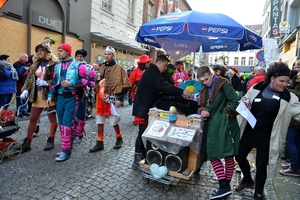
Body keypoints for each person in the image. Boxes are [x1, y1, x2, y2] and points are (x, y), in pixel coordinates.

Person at [235, 62, 300, 199]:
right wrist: (242, 105)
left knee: (261, 166)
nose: (284, 84)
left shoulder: (289, 98)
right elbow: (245, 100)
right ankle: (247, 179)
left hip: (268, 137)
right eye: (281, 81)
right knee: (239, 156)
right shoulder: (256, 89)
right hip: (249, 132)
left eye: (287, 82)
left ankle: (258, 193)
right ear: (272, 78)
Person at [131, 54, 193, 170]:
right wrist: (181, 92)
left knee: (144, 133)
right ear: (160, 62)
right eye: (165, 66)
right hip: (144, 107)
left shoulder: (155, 72)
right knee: (142, 133)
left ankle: (143, 157)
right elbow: (162, 86)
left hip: (147, 106)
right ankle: (137, 160)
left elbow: (166, 84)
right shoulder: (151, 72)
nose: (165, 68)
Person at [197, 66, 240, 199]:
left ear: (211, 74)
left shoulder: (223, 83)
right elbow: (202, 104)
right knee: (213, 153)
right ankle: (224, 186)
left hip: (225, 123)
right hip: (212, 124)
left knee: (227, 154)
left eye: (207, 79)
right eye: (202, 81)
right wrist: (202, 110)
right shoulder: (204, 89)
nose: (205, 82)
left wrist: (226, 113)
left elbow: (235, 100)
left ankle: (224, 186)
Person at [47, 42, 88, 161]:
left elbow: (85, 81)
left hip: (72, 97)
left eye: (61, 51)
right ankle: (66, 147)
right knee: (62, 125)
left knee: (67, 124)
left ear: (67, 52)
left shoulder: (78, 65)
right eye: (58, 50)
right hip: (60, 98)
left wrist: (72, 83)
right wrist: (50, 95)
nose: (58, 53)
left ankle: (66, 151)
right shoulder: (57, 66)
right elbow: (55, 83)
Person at [19, 37, 59, 152]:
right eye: (38, 50)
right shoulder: (35, 65)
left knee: (52, 119)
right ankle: (27, 141)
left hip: (48, 96)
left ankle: (51, 139)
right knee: (32, 118)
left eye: (42, 50)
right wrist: (26, 90)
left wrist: (47, 83)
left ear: (47, 51)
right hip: (37, 95)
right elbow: (29, 79)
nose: (39, 52)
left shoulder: (54, 64)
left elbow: (57, 80)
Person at [89, 46, 131, 153]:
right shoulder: (102, 67)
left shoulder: (119, 68)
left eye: (109, 54)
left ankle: (119, 138)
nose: (107, 56)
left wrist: (120, 99)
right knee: (99, 121)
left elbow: (123, 84)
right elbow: (97, 82)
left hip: (112, 98)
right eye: (105, 54)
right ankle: (100, 143)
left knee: (113, 121)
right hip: (100, 99)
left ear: (113, 55)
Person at [279, 70, 300, 177]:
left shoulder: (296, 86)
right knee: (296, 142)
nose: (297, 69)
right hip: (295, 119)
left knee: (290, 142)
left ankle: (295, 167)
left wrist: (289, 91)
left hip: (295, 120)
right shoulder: (296, 82)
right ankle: (294, 165)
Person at [74, 49, 96, 143]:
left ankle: (79, 133)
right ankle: (72, 133)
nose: (79, 58)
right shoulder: (71, 66)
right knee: (71, 115)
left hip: (83, 93)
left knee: (80, 114)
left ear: (84, 57)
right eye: (77, 56)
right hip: (71, 93)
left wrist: (87, 83)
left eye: (81, 57)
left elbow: (92, 82)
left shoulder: (88, 68)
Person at [129, 54, 152, 125]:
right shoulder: (136, 71)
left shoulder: (149, 71)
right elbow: (130, 82)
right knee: (138, 105)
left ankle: (144, 118)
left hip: (147, 91)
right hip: (138, 91)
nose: (147, 64)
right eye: (146, 62)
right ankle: (138, 119)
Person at [13, 53, 30, 117]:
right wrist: (24, 69)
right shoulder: (16, 64)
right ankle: (19, 111)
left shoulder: (28, 64)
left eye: (27, 57)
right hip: (20, 84)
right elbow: (17, 74)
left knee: (25, 98)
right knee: (19, 99)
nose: (27, 58)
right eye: (25, 57)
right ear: (21, 57)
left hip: (26, 84)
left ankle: (24, 111)